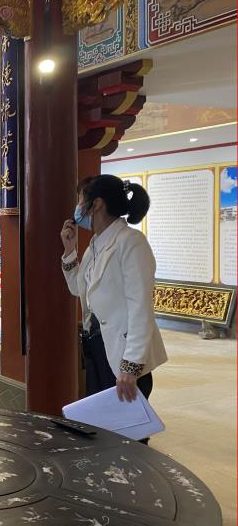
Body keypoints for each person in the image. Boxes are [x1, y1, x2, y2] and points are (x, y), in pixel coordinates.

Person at [60, 174, 167, 411]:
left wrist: (131, 365)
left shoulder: (131, 241)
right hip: (97, 347)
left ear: (97, 204)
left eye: (80, 200)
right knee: (102, 421)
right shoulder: (95, 244)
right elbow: (78, 288)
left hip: (124, 353)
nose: (77, 208)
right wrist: (69, 251)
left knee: (125, 424)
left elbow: (141, 307)